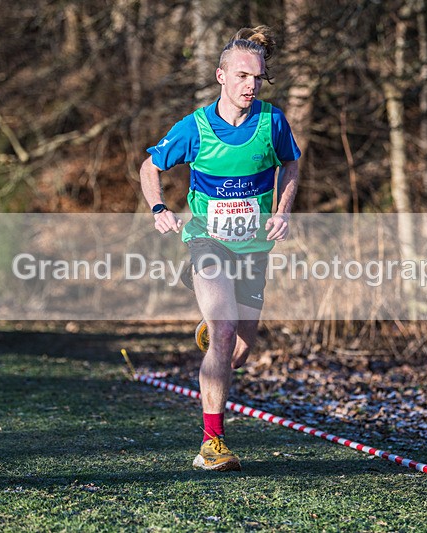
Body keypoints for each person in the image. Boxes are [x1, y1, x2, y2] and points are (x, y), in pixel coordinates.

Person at [139, 25, 301, 471]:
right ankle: (212, 443)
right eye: (243, 76)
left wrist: (282, 210)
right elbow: (149, 167)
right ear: (221, 77)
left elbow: (291, 164)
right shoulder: (193, 128)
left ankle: (215, 333)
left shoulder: (273, 123)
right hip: (206, 241)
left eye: (258, 78)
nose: (251, 85)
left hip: (253, 248)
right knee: (226, 330)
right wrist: (158, 207)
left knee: (239, 350)